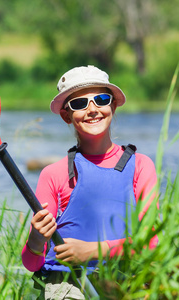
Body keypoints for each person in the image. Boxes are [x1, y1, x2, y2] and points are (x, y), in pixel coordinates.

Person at [21, 65, 158, 299]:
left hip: (126, 280)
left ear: (112, 106)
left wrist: (91, 251)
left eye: (101, 99)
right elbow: (32, 263)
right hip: (68, 284)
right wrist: (36, 238)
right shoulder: (53, 174)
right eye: (79, 104)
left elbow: (150, 243)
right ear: (66, 115)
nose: (92, 110)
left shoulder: (141, 166)